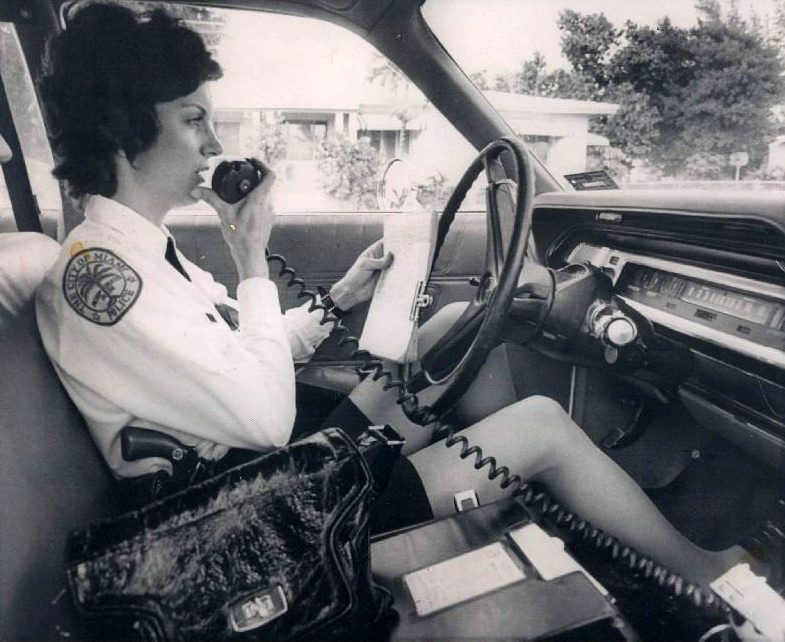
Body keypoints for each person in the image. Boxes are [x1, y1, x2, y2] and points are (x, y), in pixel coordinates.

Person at [35, 2, 746, 588]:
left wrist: (342, 294)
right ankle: (707, 577)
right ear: (126, 128)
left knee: (445, 329)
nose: (212, 142)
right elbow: (262, 417)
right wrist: (249, 255)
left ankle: (522, 519)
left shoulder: (137, 255)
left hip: (275, 476)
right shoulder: (104, 283)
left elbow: (243, 357)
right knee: (538, 429)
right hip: (254, 529)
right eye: (193, 119)